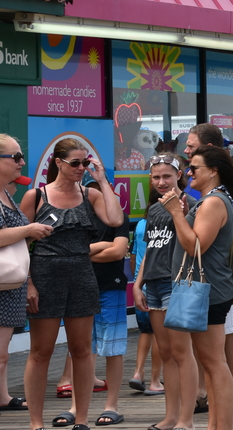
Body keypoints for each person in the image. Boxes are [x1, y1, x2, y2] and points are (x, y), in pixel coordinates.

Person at [22, 138, 123, 430]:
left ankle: (81, 420)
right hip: (45, 274)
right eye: (75, 163)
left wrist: (101, 180)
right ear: (58, 163)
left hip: (81, 273)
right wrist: (28, 283)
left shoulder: (89, 194)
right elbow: (21, 245)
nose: (81, 168)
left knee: (81, 349)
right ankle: (36, 423)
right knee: (41, 351)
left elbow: (115, 218)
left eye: (85, 163)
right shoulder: (37, 196)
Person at [183, 123, 233, 414]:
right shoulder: (198, 178)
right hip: (200, 277)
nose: (186, 151)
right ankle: (207, 394)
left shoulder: (226, 185)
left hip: (216, 276)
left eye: (191, 146)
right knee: (205, 342)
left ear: (209, 151)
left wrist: (232, 243)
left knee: (227, 336)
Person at [162, 145, 233, 430]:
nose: (188, 173)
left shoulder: (213, 201)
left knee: (212, 362)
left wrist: (175, 212)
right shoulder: (212, 199)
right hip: (209, 290)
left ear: (213, 171)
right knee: (209, 361)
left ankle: (221, 425)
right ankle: (215, 424)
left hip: (208, 291)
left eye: (194, 168)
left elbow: (196, 245)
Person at [132, 154, 198, 430]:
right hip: (155, 283)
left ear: (180, 174)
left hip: (179, 282)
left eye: (167, 176)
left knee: (183, 353)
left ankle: (187, 419)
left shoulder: (190, 204)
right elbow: (151, 248)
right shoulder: (155, 208)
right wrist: (138, 283)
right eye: (156, 177)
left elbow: (194, 243)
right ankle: (171, 416)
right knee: (166, 352)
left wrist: (178, 213)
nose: (161, 182)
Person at [0, 135, 53, 414]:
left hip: (10, 283)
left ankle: (3, 395)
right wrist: (29, 230)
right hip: (3, 281)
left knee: (4, 351)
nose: (22, 162)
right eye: (15, 157)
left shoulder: (7, 193)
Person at [128, 204, 163, 396]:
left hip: (140, 286)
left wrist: (136, 282)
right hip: (158, 285)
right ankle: (155, 381)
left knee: (145, 332)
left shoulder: (140, 224)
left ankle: (138, 372)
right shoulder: (164, 225)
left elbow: (133, 257)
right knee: (159, 334)